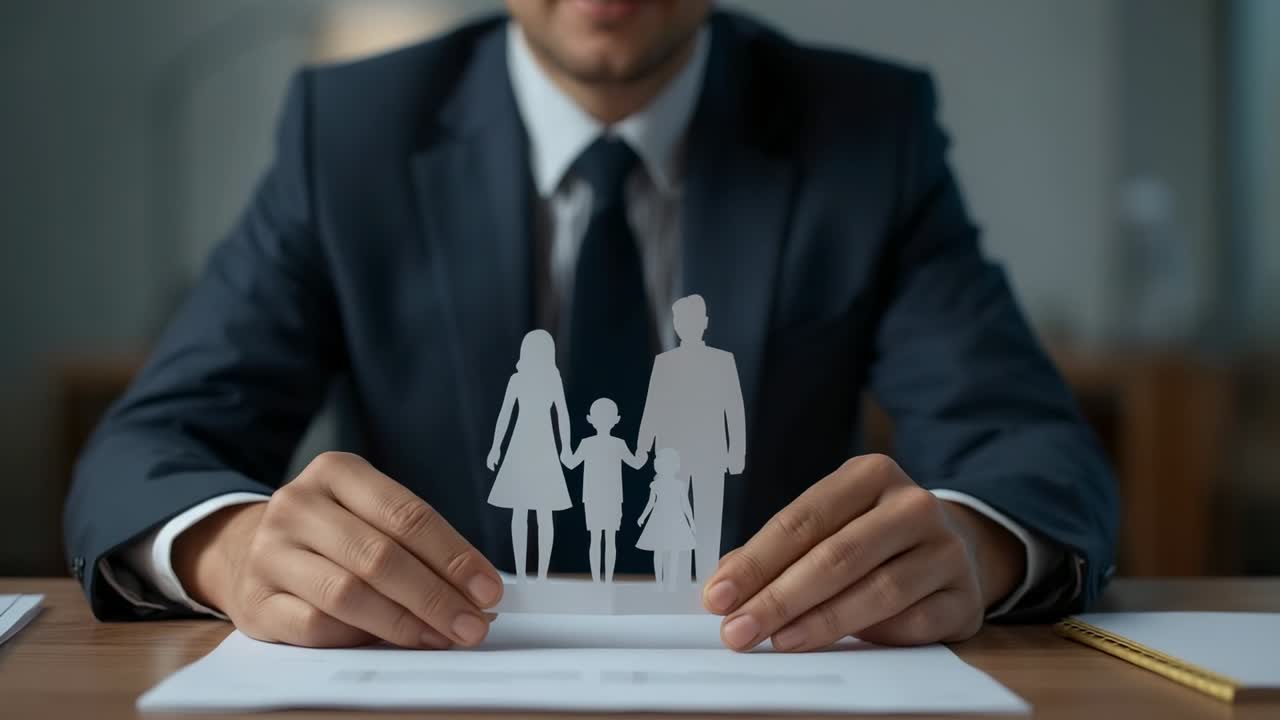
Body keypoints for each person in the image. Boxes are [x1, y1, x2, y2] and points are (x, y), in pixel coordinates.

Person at [64, 0, 1119, 654]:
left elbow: (1026, 449)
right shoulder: (345, 135)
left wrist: (971, 550)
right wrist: (229, 547)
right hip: (425, 683)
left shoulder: (864, 133)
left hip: (767, 676)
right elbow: (147, 452)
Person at [637, 293, 745, 586]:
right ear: (675, 324)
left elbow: (733, 409)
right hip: (672, 455)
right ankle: (678, 584)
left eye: (693, 319)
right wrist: (643, 445)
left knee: (709, 520)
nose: (687, 325)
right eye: (681, 320)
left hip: (712, 452)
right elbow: (653, 406)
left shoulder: (723, 361)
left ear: (705, 322)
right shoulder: (665, 363)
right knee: (676, 520)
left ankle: (709, 582)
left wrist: (737, 453)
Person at [486, 329, 573, 584]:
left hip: (544, 446)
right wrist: (496, 447)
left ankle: (542, 574)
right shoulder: (517, 380)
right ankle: (523, 573)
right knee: (522, 510)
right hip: (522, 445)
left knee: (542, 512)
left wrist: (566, 447)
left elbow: (562, 415)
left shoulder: (552, 380)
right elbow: (505, 415)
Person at [561, 398, 648, 583]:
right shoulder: (612, 443)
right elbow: (637, 463)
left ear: (590, 419)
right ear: (616, 419)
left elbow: (569, 463)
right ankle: (603, 580)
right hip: (603, 498)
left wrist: (564, 449)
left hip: (603, 498)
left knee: (601, 539)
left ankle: (602, 580)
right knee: (607, 540)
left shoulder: (599, 444)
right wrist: (643, 452)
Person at [636, 449, 697, 592]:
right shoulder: (655, 485)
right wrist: (643, 516)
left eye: (670, 465)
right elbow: (650, 503)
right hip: (659, 519)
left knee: (674, 552)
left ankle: (671, 584)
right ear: (659, 466)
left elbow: (685, 504)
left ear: (675, 467)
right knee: (659, 551)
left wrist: (691, 522)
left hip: (676, 520)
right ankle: (659, 583)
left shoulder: (680, 485)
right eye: (664, 465)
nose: (667, 468)